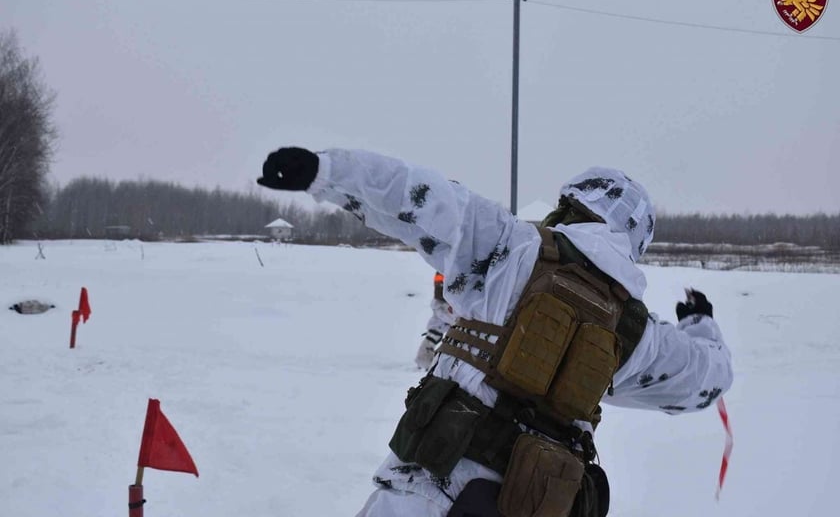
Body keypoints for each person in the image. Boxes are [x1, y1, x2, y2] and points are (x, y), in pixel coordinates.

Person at [257, 147, 734, 517]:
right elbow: (707, 378)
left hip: (427, 497)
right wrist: (701, 323)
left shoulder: (512, 247)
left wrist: (324, 171)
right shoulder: (636, 334)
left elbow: (418, 197)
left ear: (569, 205)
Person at [414, 272, 456, 371]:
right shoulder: (449, 267)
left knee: (436, 330)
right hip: (449, 304)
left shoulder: (444, 268)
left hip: (444, 303)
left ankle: (425, 359)